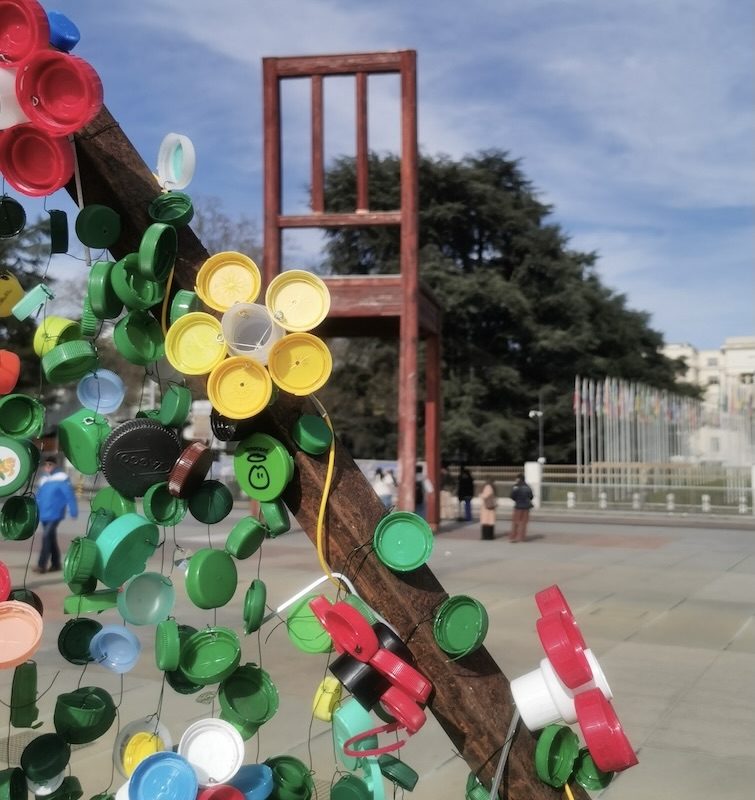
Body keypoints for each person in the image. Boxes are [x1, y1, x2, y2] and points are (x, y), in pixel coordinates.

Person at [33, 455, 78, 574]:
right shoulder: (43, 480)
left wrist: (73, 510)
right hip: (44, 514)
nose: (47, 466)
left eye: (50, 464)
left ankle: (41, 565)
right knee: (51, 539)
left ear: (55, 465)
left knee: (46, 538)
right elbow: (38, 497)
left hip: (55, 514)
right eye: (46, 464)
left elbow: (69, 496)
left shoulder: (61, 479)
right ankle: (56, 563)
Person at [509, 473, 533, 543]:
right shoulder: (528, 487)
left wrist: (517, 500)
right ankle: (521, 538)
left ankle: (513, 537)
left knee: (515, 522)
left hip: (518, 506)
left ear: (518, 479)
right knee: (523, 523)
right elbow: (531, 496)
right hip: (526, 507)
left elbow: (512, 496)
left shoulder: (516, 487)